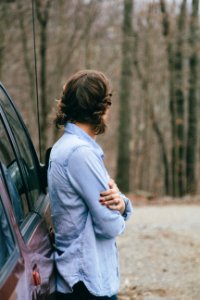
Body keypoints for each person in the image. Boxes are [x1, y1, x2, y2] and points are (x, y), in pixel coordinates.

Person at [48, 70, 133, 300]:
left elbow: (111, 200)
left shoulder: (66, 147)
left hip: (79, 279)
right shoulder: (80, 154)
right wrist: (121, 216)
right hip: (86, 284)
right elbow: (110, 226)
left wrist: (123, 205)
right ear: (102, 109)